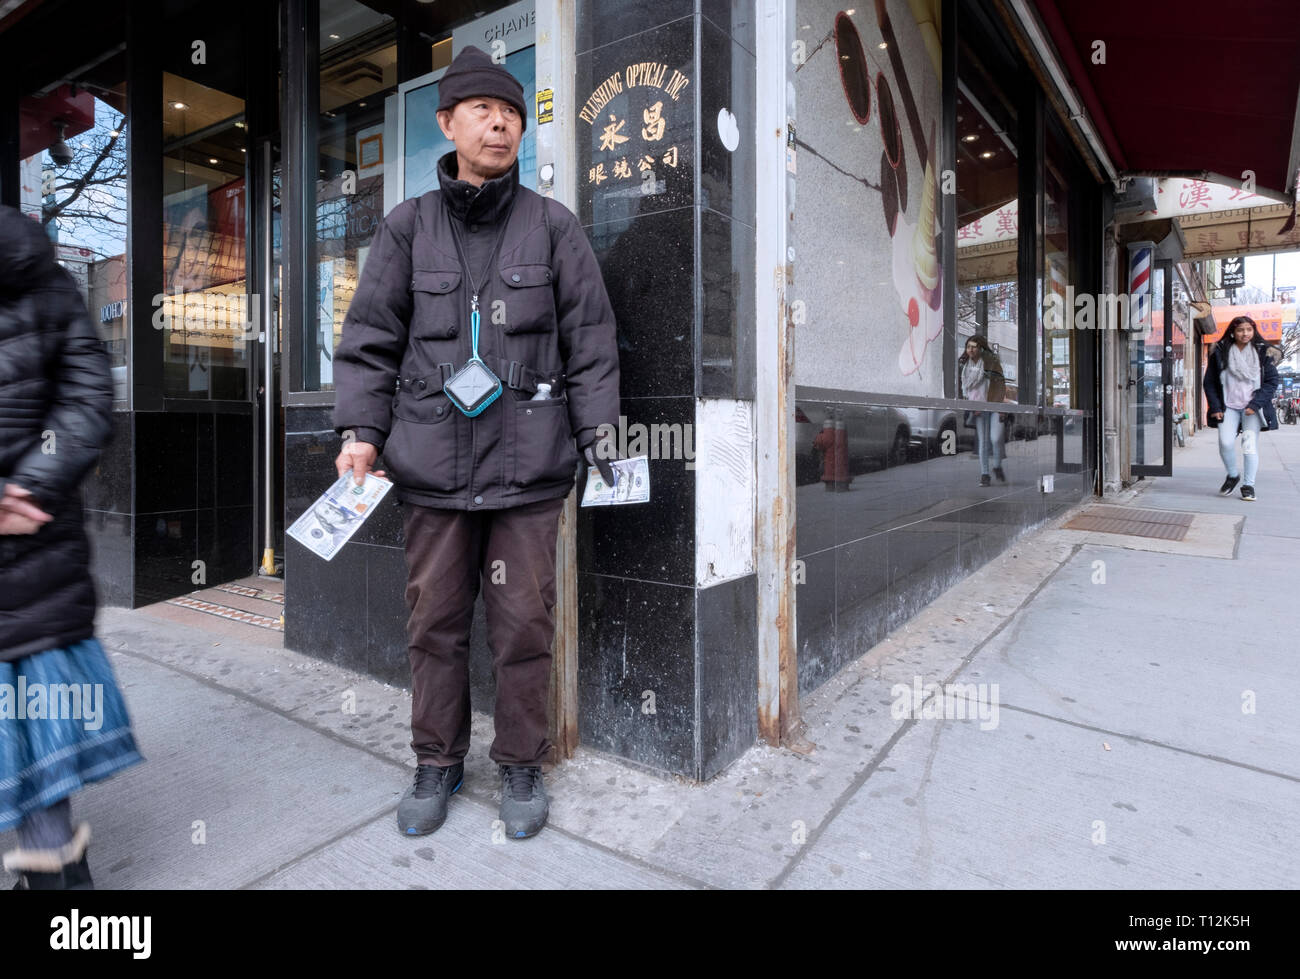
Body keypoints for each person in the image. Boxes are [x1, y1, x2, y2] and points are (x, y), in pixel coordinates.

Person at [332, 46, 620, 841]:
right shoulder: (406, 228)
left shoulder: (554, 227)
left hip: (530, 472)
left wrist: (599, 435)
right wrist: (361, 433)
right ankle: (436, 761)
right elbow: (369, 340)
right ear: (447, 123)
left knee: (525, 623)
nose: (501, 123)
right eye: (484, 110)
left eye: (513, 112)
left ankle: (522, 762)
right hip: (431, 469)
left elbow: (591, 340)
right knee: (436, 624)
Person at [0, 205, 143, 889]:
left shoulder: (40, 277)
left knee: (32, 722)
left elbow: (90, 392)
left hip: (31, 544)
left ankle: (57, 884)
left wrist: (33, 481)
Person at [1204, 315, 1279, 501]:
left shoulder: (1263, 352)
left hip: (1252, 409)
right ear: (1232, 332)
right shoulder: (1220, 351)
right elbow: (1210, 382)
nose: (1245, 333)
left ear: (1253, 331)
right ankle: (1232, 475)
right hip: (1227, 407)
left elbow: (1271, 382)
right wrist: (1215, 406)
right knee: (1225, 442)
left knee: (1249, 446)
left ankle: (1248, 485)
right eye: (1240, 330)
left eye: (1248, 329)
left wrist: (1255, 404)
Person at [958, 335, 1007, 486]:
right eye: (968, 347)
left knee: (996, 438)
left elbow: (1000, 384)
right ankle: (985, 474)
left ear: (981, 348)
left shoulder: (991, 362)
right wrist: (973, 408)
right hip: (979, 408)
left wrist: (1000, 408)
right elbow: (965, 390)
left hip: (994, 406)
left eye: (974, 347)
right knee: (984, 441)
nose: (970, 350)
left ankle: (997, 466)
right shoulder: (965, 366)